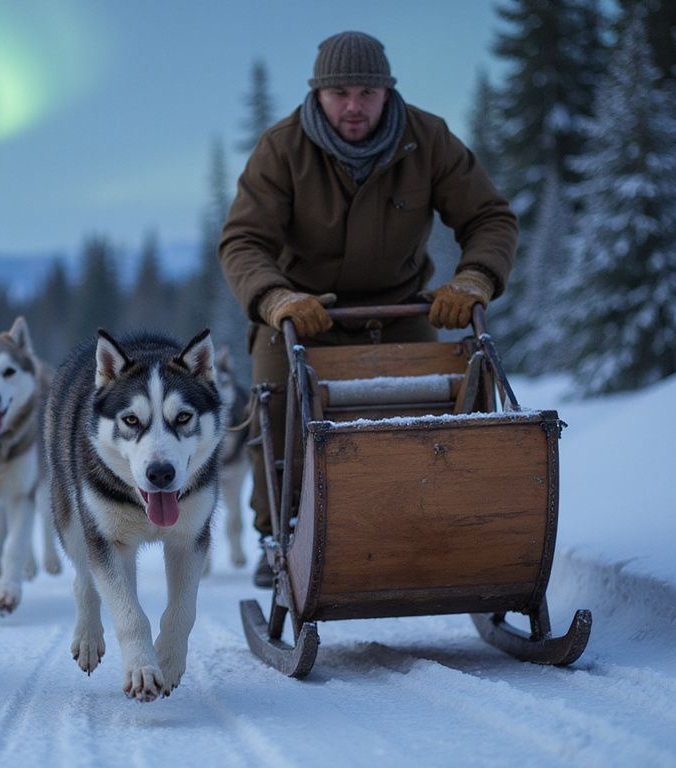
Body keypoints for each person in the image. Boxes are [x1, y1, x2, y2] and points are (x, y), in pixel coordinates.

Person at [218, 31, 518, 588]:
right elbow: (243, 241)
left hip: (402, 309)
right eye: (339, 93)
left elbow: (490, 218)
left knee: (463, 391)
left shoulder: (428, 139)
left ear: (387, 92)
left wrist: (475, 277)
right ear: (318, 94)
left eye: (366, 92)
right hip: (303, 316)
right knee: (275, 400)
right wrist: (275, 297)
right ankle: (278, 532)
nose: (353, 106)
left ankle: (461, 524)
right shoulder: (282, 148)